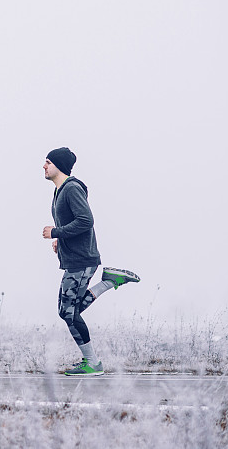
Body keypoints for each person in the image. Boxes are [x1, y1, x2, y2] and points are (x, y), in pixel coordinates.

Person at [42, 147, 140, 376]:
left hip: (82, 260)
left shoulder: (71, 188)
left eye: (47, 162)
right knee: (68, 311)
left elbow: (86, 221)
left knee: (67, 312)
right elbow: (73, 223)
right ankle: (109, 281)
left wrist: (56, 232)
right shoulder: (60, 191)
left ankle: (93, 363)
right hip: (76, 260)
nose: (44, 166)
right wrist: (60, 239)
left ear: (60, 165)